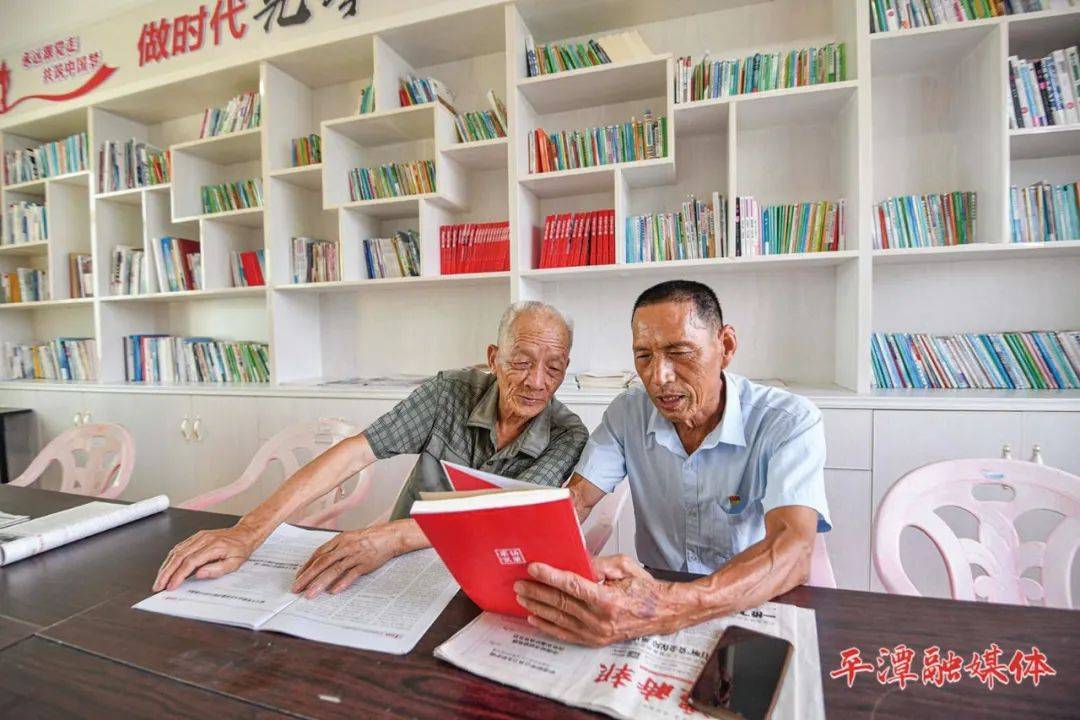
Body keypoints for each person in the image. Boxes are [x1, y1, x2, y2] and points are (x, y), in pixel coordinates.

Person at [154, 301, 588, 597]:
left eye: (553, 368)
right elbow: (356, 452)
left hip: (485, 578)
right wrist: (249, 530)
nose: (537, 382)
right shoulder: (449, 393)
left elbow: (504, 516)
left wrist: (386, 537)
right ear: (493, 358)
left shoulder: (567, 435)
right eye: (521, 362)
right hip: (402, 565)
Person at [514, 280, 831, 646]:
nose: (659, 377)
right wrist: (542, 565)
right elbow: (577, 500)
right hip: (655, 591)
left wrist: (673, 606)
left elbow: (794, 550)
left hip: (751, 596)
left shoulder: (788, 420)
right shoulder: (627, 413)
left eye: (679, 352)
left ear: (726, 346)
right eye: (644, 356)